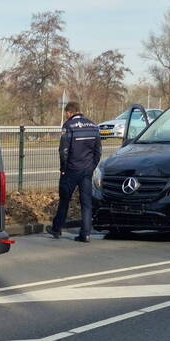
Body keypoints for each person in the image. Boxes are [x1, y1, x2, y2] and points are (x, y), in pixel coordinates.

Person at [49, 101, 101, 243]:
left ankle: (56, 229)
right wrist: (92, 166)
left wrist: (63, 169)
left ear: (69, 112)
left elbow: (63, 150)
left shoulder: (68, 126)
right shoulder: (93, 126)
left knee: (64, 199)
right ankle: (86, 233)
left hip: (71, 170)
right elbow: (98, 151)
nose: (66, 116)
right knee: (86, 202)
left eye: (66, 113)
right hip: (87, 170)